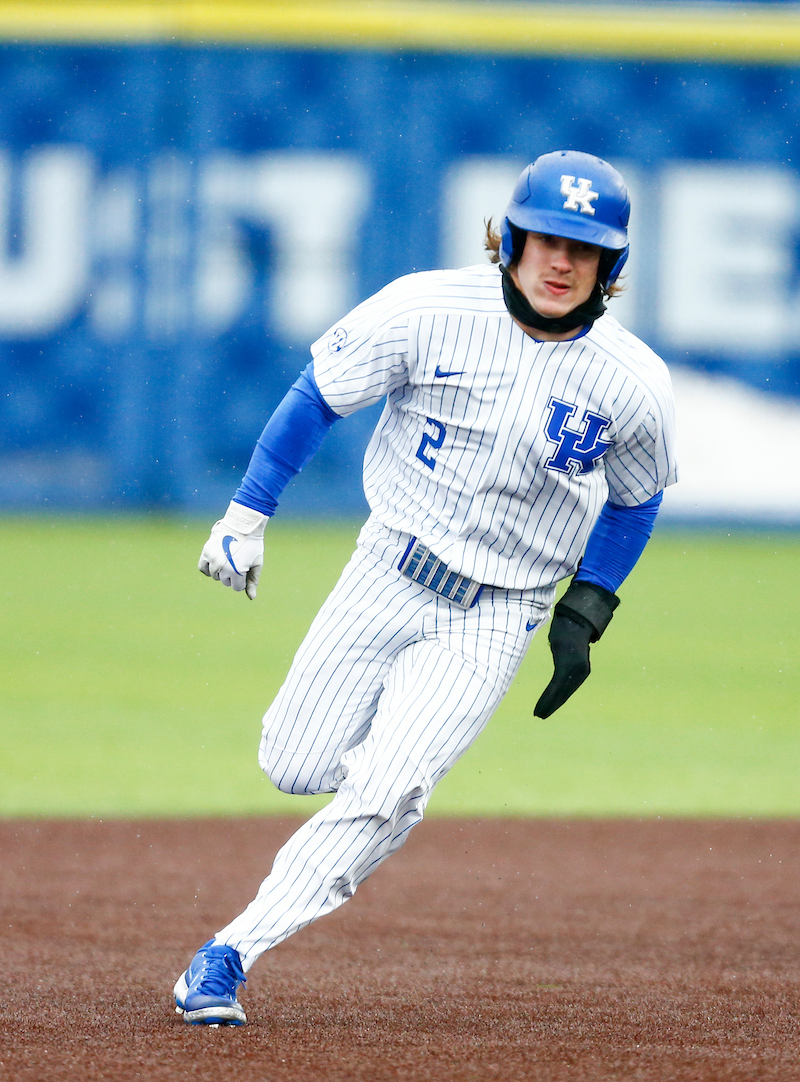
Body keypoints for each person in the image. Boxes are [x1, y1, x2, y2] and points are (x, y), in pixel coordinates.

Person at [173, 149, 677, 1026]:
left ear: (612, 266)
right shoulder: (426, 308)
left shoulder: (632, 381)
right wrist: (247, 513)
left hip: (500, 610)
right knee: (292, 761)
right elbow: (317, 395)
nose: (562, 263)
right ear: (511, 241)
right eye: (548, 239)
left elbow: (637, 501)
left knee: (390, 784)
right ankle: (386, 795)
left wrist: (587, 607)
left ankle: (228, 955)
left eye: (586, 250)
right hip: (388, 569)